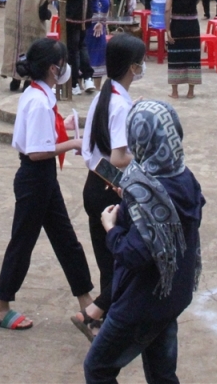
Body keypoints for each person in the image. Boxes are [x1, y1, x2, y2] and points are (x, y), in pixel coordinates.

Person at [82, 100, 205, 384]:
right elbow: (171, 220)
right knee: (162, 374)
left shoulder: (144, 190)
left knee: (98, 368)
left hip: (140, 300)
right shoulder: (183, 177)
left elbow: (134, 254)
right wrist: (131, 197)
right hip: (172, 293)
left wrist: (111, 228)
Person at [0, 38, 94, 331]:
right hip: (35, 177)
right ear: (52, 68)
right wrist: (73, 141)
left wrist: (65, 128)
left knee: (66, 240)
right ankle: (0, 306)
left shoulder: (40, 93)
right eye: (62, 63)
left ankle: (87, 304)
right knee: (23, 243)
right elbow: (36, 150)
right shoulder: (36, 100)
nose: (65, 68)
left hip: (44, 178)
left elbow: (48, 131)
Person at [72, 34, 145, 341]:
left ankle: (104, 322)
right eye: (140, 63)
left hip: (94, 185)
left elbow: (92, 151)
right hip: (109, 191)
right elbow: (118, 156)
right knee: (127, 262)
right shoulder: (118, 104)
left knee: (108, 260)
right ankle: (92, 315)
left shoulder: (105, 96)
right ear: (132, 67)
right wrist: (145, 155)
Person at [1, 0, 53, 92]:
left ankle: (15, 80)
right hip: (31, 30)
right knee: (30, 53)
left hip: (14, 28)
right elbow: (43, 15)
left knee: (15, 51)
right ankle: (28, 82)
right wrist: (50, 9)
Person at [166, 0, 202, 99]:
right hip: (192, 26)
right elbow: (196, 2)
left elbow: (167, 9)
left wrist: (167, 30)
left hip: (177, 26)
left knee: (175, 56)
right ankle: (190, 92)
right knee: (192, 56)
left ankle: (175, 92)